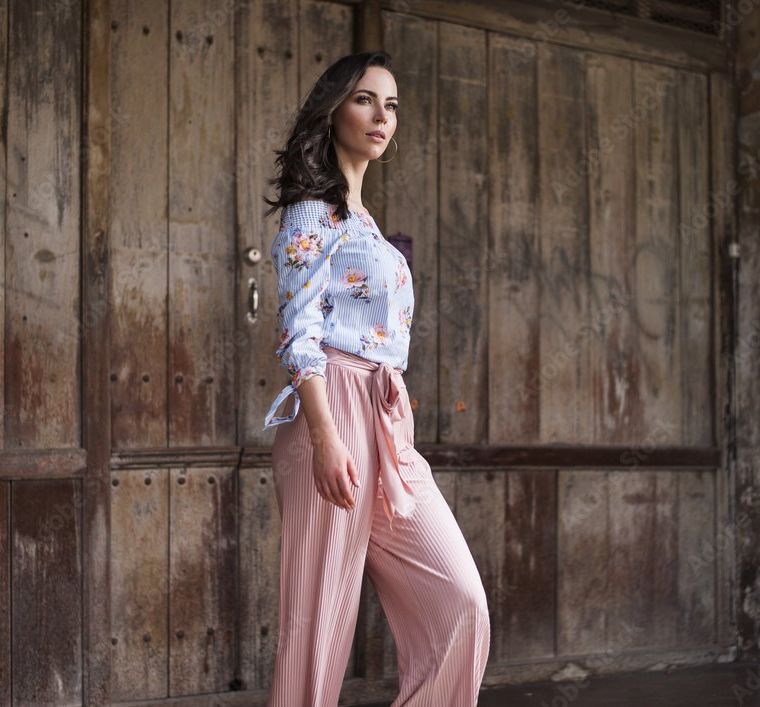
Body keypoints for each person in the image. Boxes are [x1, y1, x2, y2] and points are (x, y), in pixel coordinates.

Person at [261, 50, 490, 706]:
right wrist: (326, 435)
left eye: (391, 104)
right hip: (330, 409)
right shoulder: (314, 211)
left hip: (386, 420)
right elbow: (297, 332)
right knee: (317, 627)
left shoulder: (362, 218)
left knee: (461, 598)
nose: (381, 116)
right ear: (333, 109)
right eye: (365, 99)